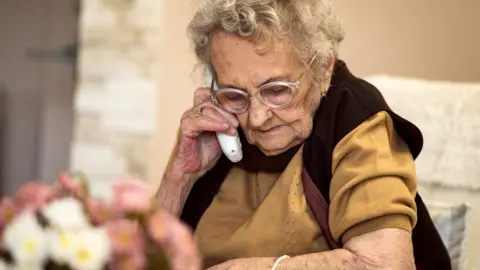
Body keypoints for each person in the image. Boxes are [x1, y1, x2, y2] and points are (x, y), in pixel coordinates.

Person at [157, 0, 451, 269]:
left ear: (323, 70)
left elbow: (385, 264)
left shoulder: (357, 121)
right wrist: (181, 175)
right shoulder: (217, 125)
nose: (256, 118)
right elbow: (136, 258)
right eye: (235, 93)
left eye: (276, 91)